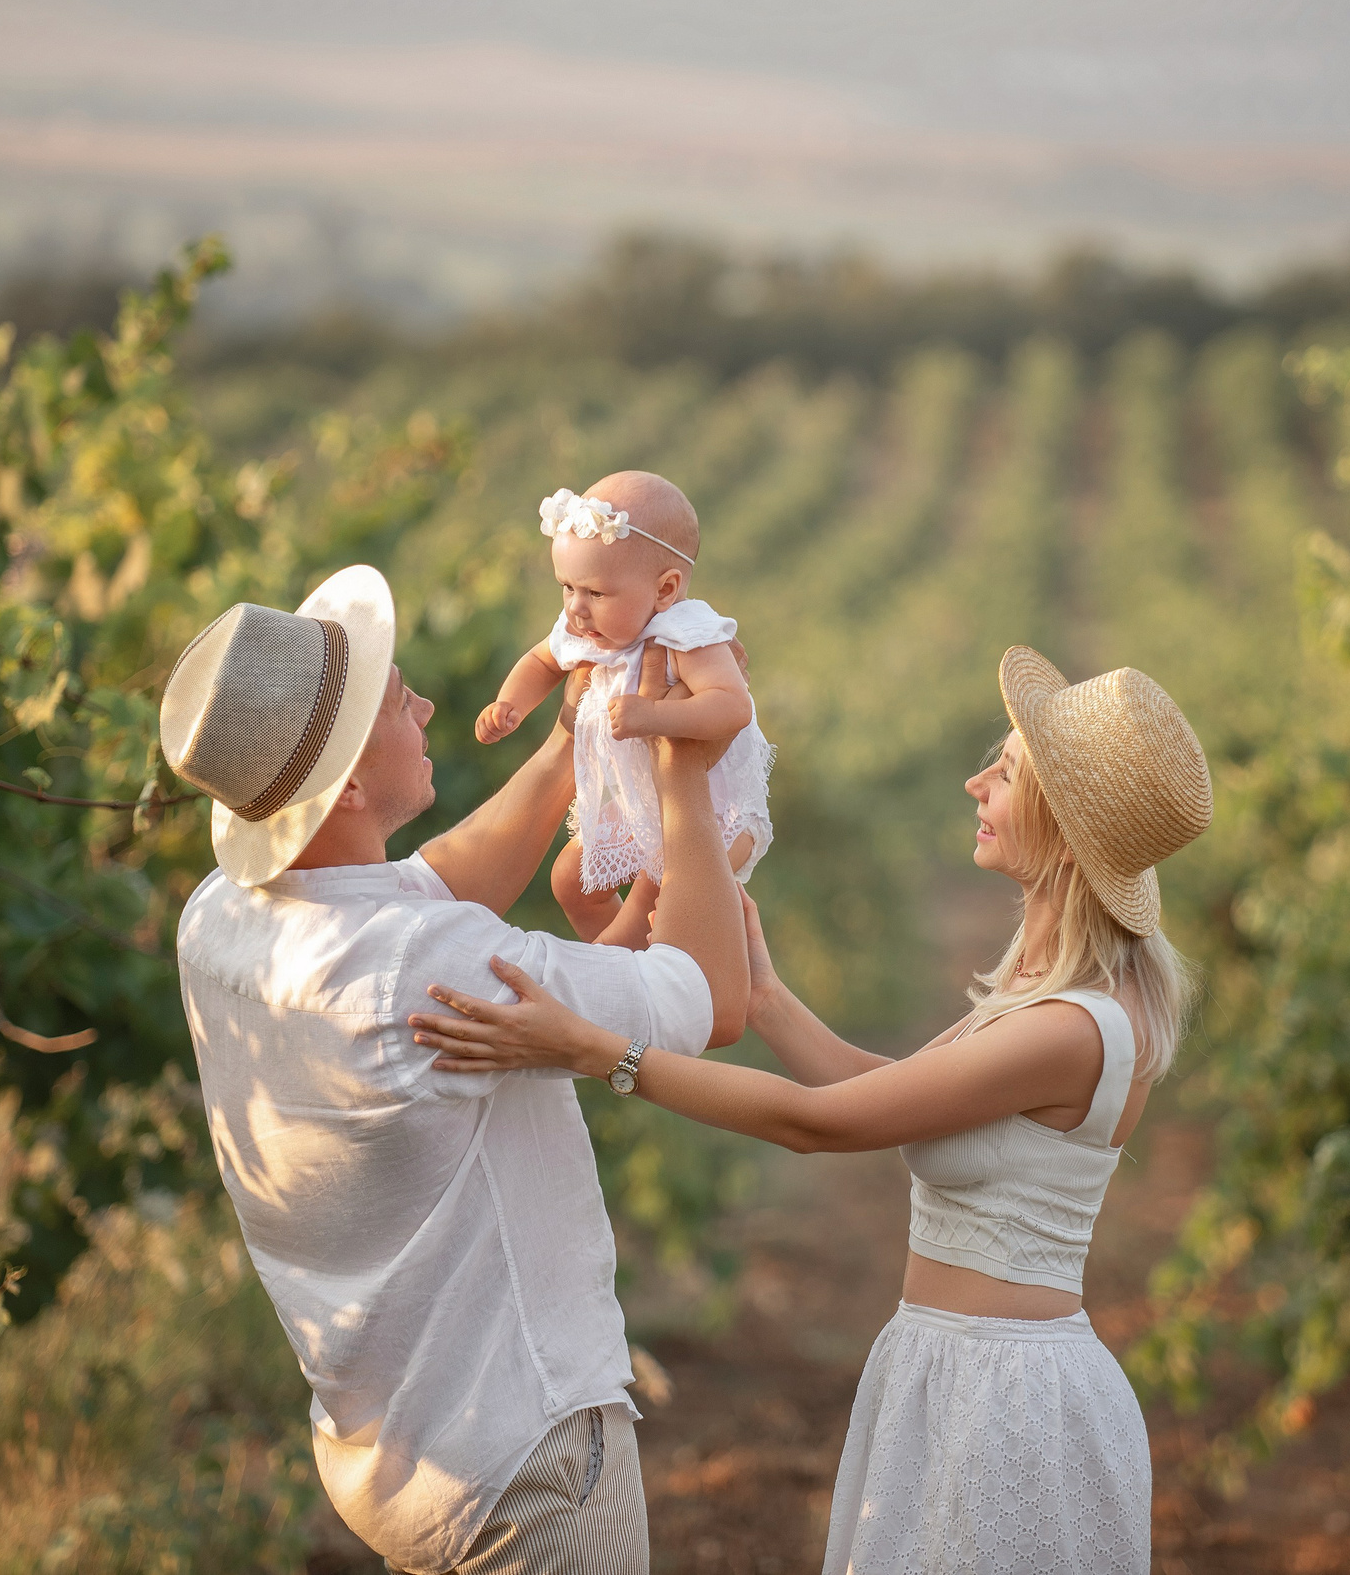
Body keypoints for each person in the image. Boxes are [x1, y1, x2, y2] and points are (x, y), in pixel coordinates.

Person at [409, 645, 1214, 1573]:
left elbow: (821, 1123)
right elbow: (887, 1091)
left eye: (1007, 772)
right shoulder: (1043, 993)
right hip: (950, 1368)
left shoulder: (1074, 1026)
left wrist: (602, 1053)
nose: (974, 781)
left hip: (1011, 1394)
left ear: (1066, 833)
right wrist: (767, 998)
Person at [156, 564, 749, 1575]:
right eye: (398, 699)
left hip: (398, 1451)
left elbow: (430, 881)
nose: (425, 702)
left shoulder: (219, 914)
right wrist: (683, 763)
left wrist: (577, 735)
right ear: (346, 785)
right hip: (527, 1463)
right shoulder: (418, 964)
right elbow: (707, 997)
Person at [475, 473, 774, 947]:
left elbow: (732, 705)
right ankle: (634, 979)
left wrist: (656, 718)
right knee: (569, 882)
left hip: (711, 814)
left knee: (641, 909)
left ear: (665, 590)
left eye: (594, 593)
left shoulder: (686, 633)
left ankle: (612, 973)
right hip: (640, 803)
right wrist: (509, 704)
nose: (575, 608)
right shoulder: (588, 629)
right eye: (566, 587)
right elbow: (541, 660)